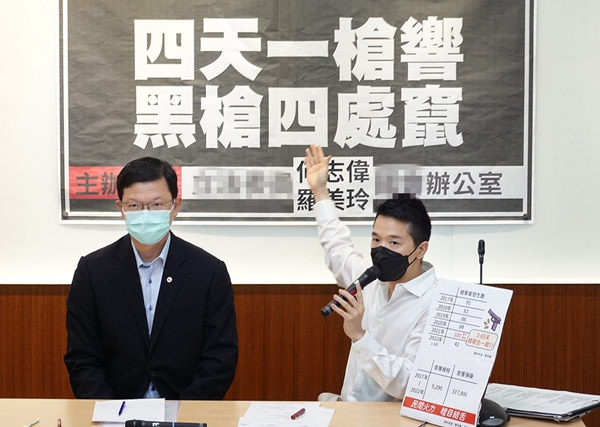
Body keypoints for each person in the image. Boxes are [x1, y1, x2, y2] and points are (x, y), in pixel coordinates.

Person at [64, 157, 238, 400]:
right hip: (115, 410)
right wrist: (108, 412)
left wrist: (186, 412)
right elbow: (82, 358)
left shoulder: (208, 272)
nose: (146, 214)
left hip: (185, 409)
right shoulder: (93, 272)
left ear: (174, 207)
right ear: (121, 209)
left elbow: (220, 357)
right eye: (134, 206)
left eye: (157, 204)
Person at [305, 144, 438, 402]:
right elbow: (336, 246)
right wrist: (320, 191)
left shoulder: (433, 303)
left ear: (420, 249)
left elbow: (410, 383)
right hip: (347, 412)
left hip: (390, 419)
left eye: (394, 242)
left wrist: (359, 335)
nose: (381, 249)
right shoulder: (369, 280)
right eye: (376, 239)